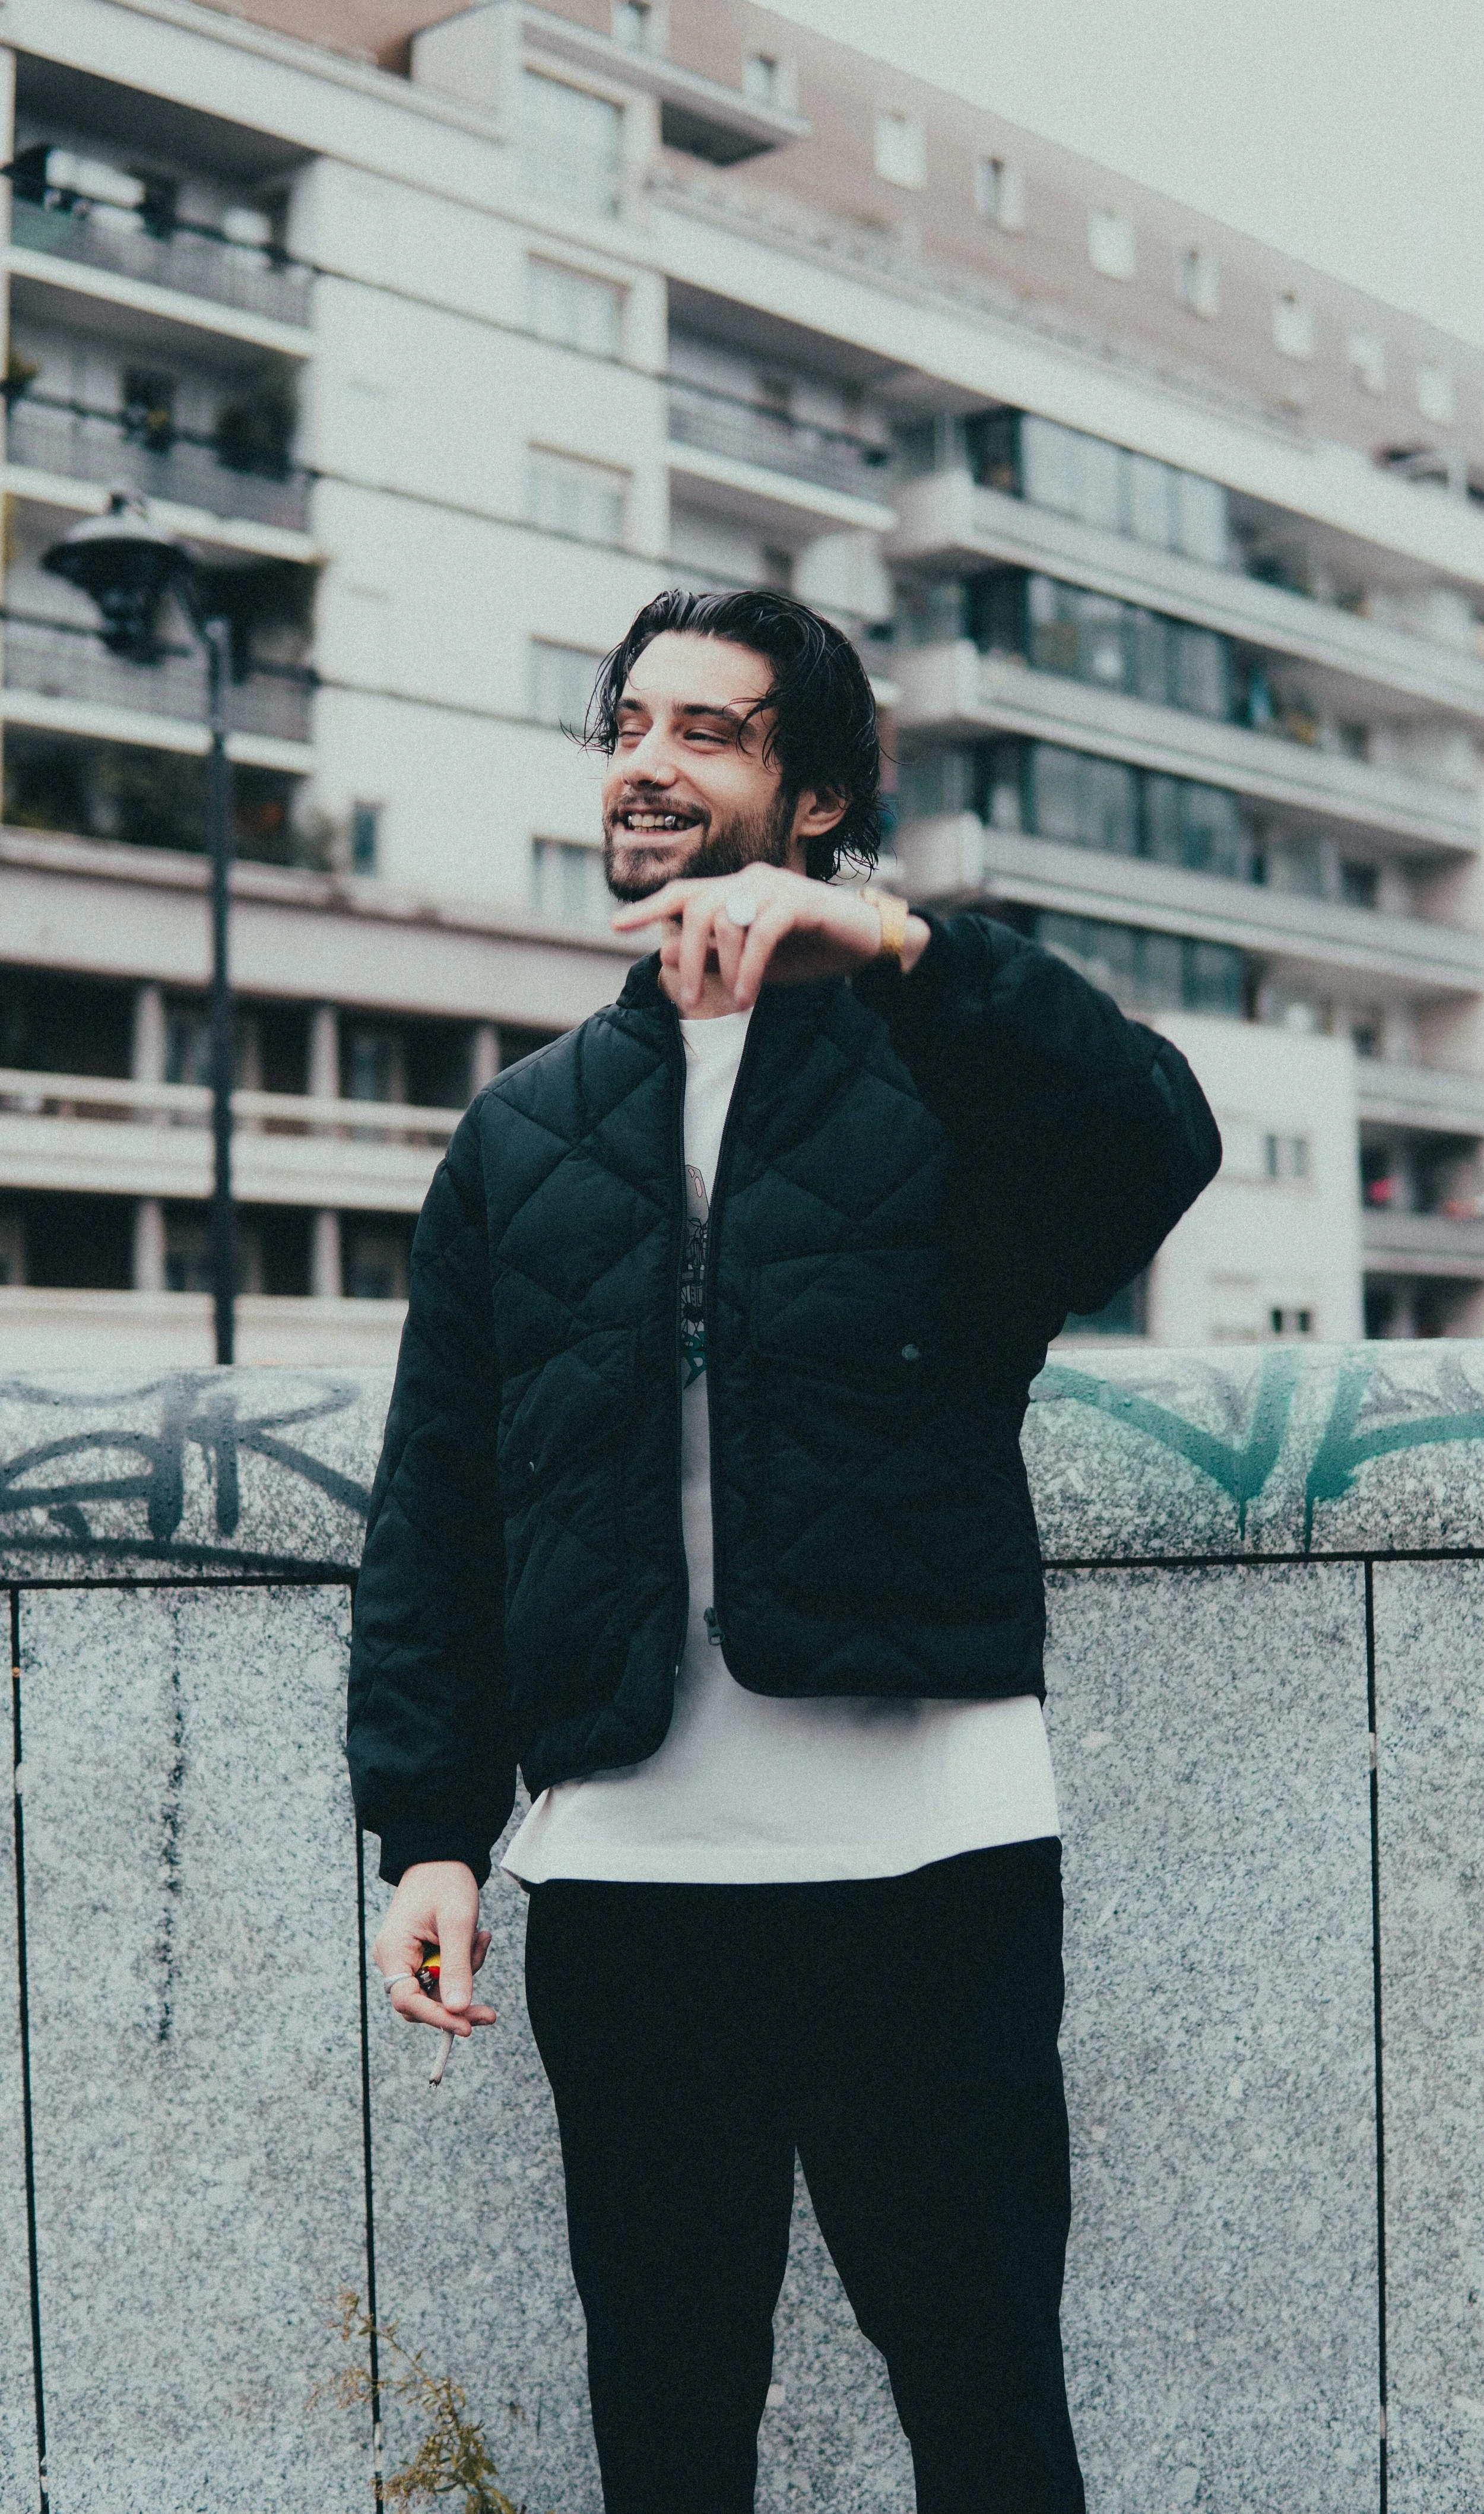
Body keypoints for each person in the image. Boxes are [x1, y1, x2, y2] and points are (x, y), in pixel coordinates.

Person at [347, 587, 1221, 2514]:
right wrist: (427, 1822)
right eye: (628, 728)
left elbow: (1152, 1143)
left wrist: (903, 949)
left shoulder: (940, 1081)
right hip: (631, 1878)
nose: (648, 766)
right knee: (668, 2423)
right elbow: (443, 1502)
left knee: (984, 2401)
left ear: (813, 800)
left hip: (926, 1860)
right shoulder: (525, 1133)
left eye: (710, 734)